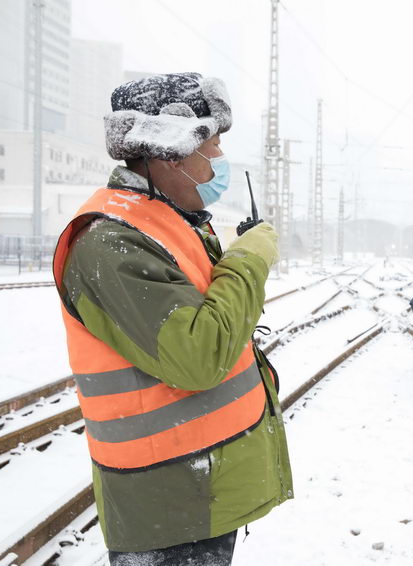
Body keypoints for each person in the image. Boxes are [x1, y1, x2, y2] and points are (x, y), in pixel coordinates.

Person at [51, 73, 293, 565]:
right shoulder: (111, 242)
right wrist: (250, 259)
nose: (219, 163)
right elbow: (199, 356)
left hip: (196, 488)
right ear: (170, 154)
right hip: (169, 501)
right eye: (213, 146)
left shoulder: (165, 224)